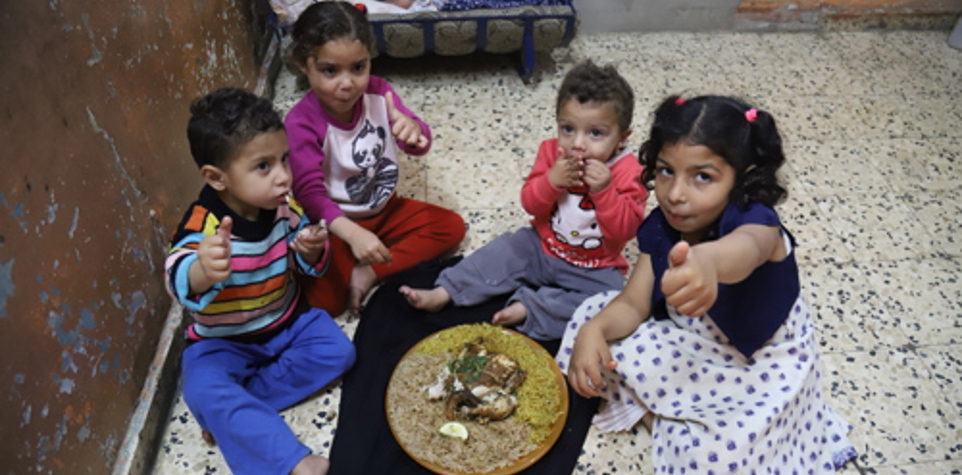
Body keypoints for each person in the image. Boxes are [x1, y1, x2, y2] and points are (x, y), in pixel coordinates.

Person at [557, 95, 857, 472]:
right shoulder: (664, 225)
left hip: (763, 359)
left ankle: (668, 418)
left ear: (743, 176)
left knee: (717, 460)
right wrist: (594, 329)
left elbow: (747, 248)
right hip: (699, 337)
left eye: (703, 177)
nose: (676, 194)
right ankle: (669, 415)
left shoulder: (757, 221)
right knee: (589, 319)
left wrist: (708, 262)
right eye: (666, 171)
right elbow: (633, 304)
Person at [165, 88, 356, 475]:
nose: (285, 176)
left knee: (339, 352)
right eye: (264, 166)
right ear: (216, 178)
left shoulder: (282, 207)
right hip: (224, 342)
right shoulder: (206, 226)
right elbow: (177, 274)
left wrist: (310, 251)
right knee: (201, 386)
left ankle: (236, 414)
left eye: (284, 159)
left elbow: (306, 260)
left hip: (287, 322)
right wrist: (203, 270)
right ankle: (295, 461)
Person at [399, 60, 648, 341]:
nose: (578, 143)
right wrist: (551, 181)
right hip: (541, 247)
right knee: (503, 250)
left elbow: (624, 231)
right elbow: (530, 203)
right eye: (568, 128)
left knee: (610, 302)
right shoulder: (551, 152)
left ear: (621, 139)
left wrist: (604, 191)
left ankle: (531, 308)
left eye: (595, 133)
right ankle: (446, 291)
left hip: (595, 266)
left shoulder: (629, 172)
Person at [285, 1, 466, 317]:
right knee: (326, 303)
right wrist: (353, 234)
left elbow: (416, 140)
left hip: (386, 209)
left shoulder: (380, 93)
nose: (347, 83)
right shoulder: (300, 123)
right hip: (337, 222)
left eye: (358, 67)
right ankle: (360, 254)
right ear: (303, 64)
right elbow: (310, 196)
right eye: (330, 70)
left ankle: (369, 271)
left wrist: (414, 132)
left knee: (451, 227)